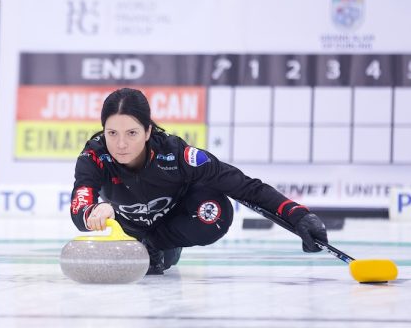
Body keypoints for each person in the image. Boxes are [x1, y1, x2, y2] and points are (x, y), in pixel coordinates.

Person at [69, 88, 328, 275]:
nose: (121, 144)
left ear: (148, 131)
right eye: (112, 133)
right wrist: (95, 211)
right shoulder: (94, 157)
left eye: (132, 133)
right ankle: (146, 249)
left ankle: (155, 247)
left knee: (215, 211)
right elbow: (79, 207)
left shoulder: (178, 155)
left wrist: (298, 216)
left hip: (170, 231)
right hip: (128, 233)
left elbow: (243, 186)